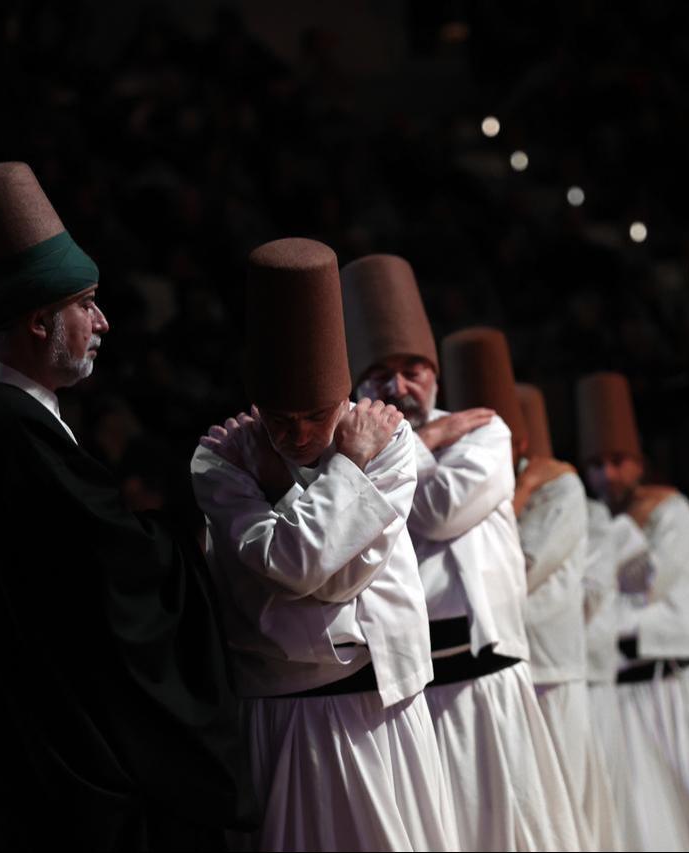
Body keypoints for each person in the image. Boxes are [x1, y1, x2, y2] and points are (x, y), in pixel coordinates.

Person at [0, 162, 248, 849]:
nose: (103, 322)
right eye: (86, 304)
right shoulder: (12, 430)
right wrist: (213, 514)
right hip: (53, 778)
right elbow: (113, 573)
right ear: (39, 321)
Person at [191, 238, 455, 851]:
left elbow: (315, 572)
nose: (299, 434)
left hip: (383, 703)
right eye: (280, 420)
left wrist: (280, 488)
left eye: (316, 415)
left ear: (342, 397)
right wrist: (347, 468)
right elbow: (305, 564)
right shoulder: (220, 456)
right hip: (283, 711)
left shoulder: (385, 437)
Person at [341, 255, 579, 850]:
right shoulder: (345, 458)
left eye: (413, 370)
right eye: (380, 375)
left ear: (436, 375)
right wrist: (418, 444)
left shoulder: (482, 430)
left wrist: (397, 454)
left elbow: (439, 509)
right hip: (410, 690)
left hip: (486, 672)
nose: (399, 387)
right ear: (357, 387)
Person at [578, 371, 689, 852]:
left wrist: (615, 544)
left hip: (675, 679)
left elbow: (652, 582)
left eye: (617, 462)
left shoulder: (671, 509)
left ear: (638, 464)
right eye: (596, 465)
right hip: (621, 687)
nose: (607, 476)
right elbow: (589, 598)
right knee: (644, 818)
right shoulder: (592, 519)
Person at [515, 381, 619, 850]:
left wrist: (524, 488)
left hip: (555, 670)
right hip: (509, 671)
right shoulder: (490, 492)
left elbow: (521, 569)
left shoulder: (562, 491)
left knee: (567, 808)